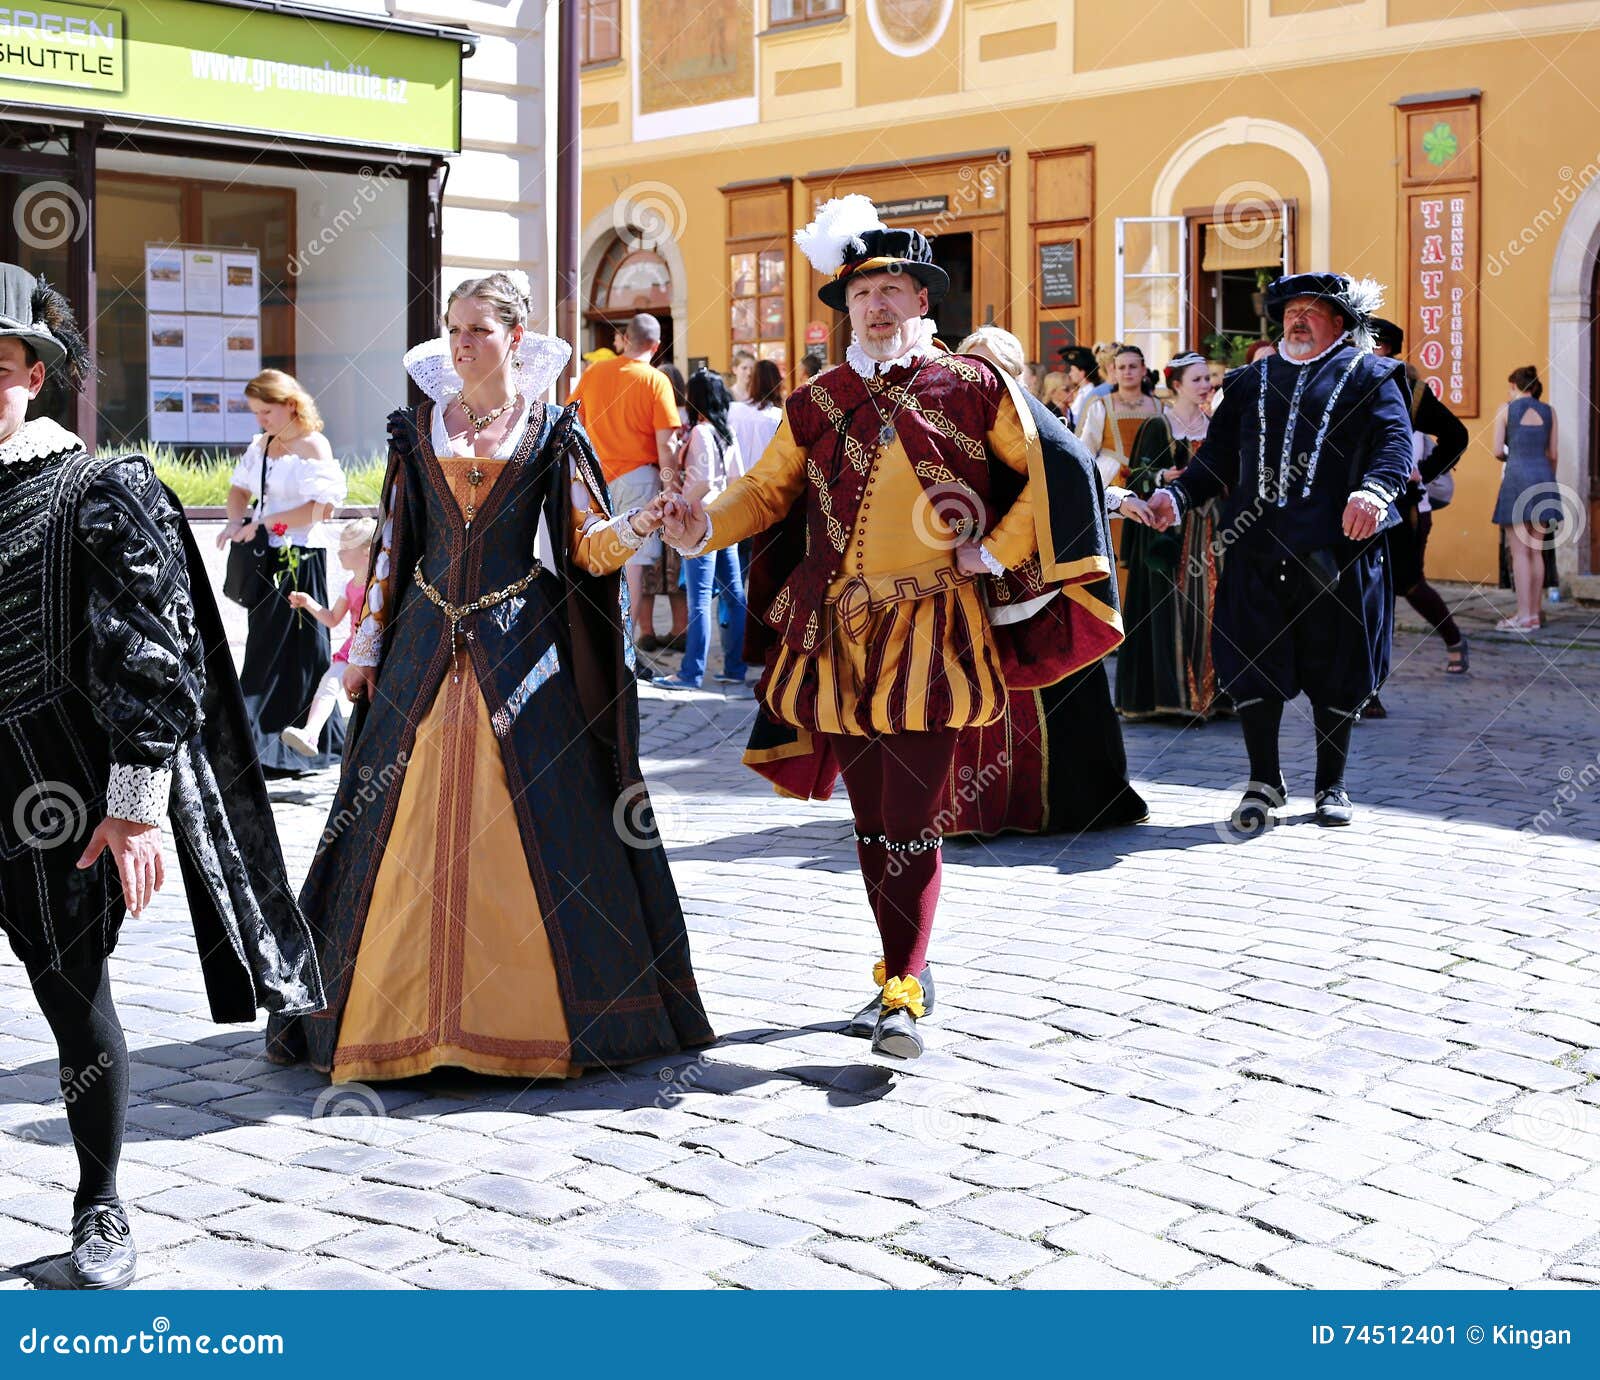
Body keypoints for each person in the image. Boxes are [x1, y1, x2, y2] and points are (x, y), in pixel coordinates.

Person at [660, 198, 1119, 1059]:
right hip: (840, 641)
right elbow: (765, 493)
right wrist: (699, 526)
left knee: (911, 816)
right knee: (873, 819)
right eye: (862, 290)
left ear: (924, 303)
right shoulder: (818, 398)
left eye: (895, 288)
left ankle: (900, 990)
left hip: (938, 635)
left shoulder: (976, 387)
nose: (876, 304)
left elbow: (1056, 475)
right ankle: (905, 955)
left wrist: (999, 549)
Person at [266, 273, 712, 1082]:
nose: (460, 343)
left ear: (515, 336)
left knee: (542, 819)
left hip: (521, 645)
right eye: (452, 328)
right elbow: (397, 547)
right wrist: (365, 648)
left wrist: (643, 522)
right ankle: (390, 1023)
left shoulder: (551, 429)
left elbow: (586, 546)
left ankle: (525, 1025)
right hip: (420, 641)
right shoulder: (417, 430)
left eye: (477, 329)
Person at [0, 264, 322, 1288]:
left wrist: (134, 809)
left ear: (35, 378)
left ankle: (101, 1208)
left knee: (72, 1000)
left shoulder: (97, 487)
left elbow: (152, 651)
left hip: (49, 798)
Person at [1148, 273, 1412, 829]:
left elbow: (1394, 443)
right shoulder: (1249, 381)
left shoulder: (1373, 375)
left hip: (1336, 552)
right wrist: (1176, 495)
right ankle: (1264, 780)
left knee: (1337, 665)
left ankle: (1331, 785)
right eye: (1291, 309)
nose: (1297, 318)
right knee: (1251, 663)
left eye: (1312, 310)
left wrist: (1373, 490)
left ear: (1339, 323)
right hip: (1256, 551)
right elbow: (1216, 459)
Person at [949, 326, 1149, 836]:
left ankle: (1068, 802)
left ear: (1017, 376)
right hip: (967, 584)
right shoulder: (949, 424)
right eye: (969, 364)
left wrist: (1117, 500)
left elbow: (1068, 478)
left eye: (991, 366)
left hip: (1037, 582)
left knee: (1056, 687)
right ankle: (973, 805)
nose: (978, 377)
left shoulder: (1034, 423)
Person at [218, 370, 347, 774]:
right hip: (266, 558)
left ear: (290, 404)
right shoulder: (263, 445)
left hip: (302, 557)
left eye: (266, 411)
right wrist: (235, 522)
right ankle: (256, 738)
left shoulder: (314, 446)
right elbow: (239, 490)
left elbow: (322, 510)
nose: (261, 420)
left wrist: (266, 520)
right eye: (256, 412)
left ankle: (306, 736)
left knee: (307, 649)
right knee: (263, 645)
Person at [569, 312, 685, 653]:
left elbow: (572, 420)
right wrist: (670, 487)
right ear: (656, 345)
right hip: (640, 478)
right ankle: (622, 644)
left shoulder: (595, 373)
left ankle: (596, 637)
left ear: (624, 339)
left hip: (595, 477)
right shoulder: (655, 380)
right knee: (633, 559)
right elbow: (667, 444)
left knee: (598, 549)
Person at [1116, 351, 1223, 720]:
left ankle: (1212, 696)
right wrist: (1162, 478)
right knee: (1169, 608)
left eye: (1208, 378)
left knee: (1210, 606)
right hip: (1168, 531)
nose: (1205, 385)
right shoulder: (1158, 427)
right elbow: (1137, 477)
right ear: (1176, 385)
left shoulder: (1216, 427)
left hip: (1210, 533)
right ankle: (1172, 697)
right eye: (1197, 379)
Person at [1371, 317, 1469, 677]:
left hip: (1403, 509)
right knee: (1365, 592)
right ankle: (1369, 685)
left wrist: (1424, 472)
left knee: (1407, 584)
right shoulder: (1340, 385)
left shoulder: (1409, 394)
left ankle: (1454, 638)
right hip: (1349, 508)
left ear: (1384, 349)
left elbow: (1455, 436)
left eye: (1367, 343)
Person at [657, 367, 749, 690]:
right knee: (734, 595)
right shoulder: (727, 432)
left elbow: (703, 479)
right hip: (725, 519)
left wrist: (680, 501)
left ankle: (691, 672)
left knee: (698, 600)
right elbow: (737, 478)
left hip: (701, 522)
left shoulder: (700, 433)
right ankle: (735, 667)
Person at [280, 517, 376, 757]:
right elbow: (333, 618)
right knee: (329, 684)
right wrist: (309, 603)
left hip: (376, 652)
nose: (339, 553)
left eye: (345, 548)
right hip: (352, 650)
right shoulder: (349, 585)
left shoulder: (378, 583)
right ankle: (311, 733)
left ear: (366, 552)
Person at [1491, 365, 1560, 632]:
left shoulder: (1505, 410)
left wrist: (1516, 457)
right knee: (1536, 551)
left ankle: (1522, 615)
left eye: (1511, 386)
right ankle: (1533, 614)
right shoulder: (1550, 411)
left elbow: (1497, 450)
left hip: (1517, 479)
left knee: (1519, 552)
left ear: (1517, 386)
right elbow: (1553, 454)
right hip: (1544, 479)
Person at [1077, 343, 1162, 487]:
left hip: (1153, 481)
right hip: (1110, 481)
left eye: (1133, 366)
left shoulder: (1160, 407)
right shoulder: (1101, 406)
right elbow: (1086, 450)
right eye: (1122, 367)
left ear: (1143, 370)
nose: (1127, 372)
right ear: (1114, 371)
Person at [1057, 345, 1101, 430]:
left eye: (1073, 370)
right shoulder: (1081, 392)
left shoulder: (1090, 393)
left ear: (1082, 372)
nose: (1070, 374)